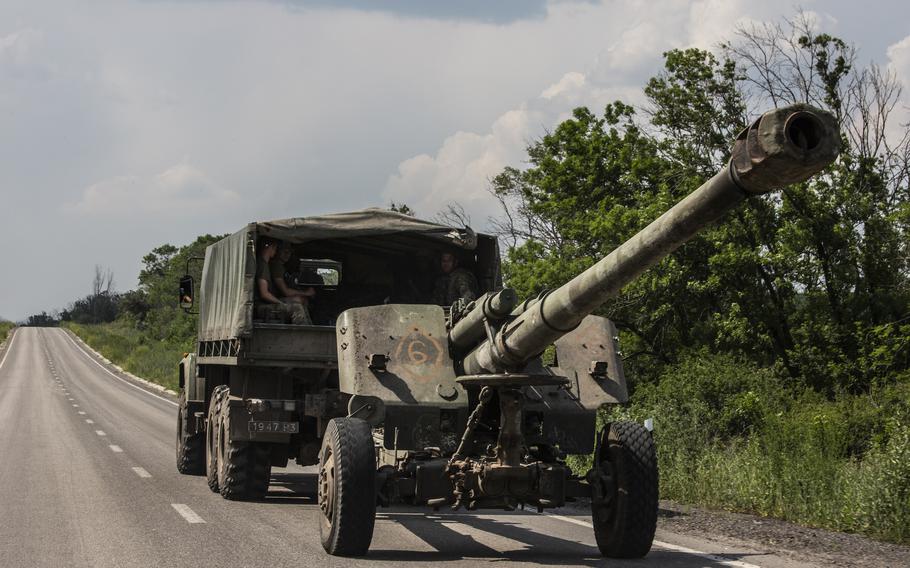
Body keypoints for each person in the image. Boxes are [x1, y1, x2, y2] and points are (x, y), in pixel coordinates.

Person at [256, 237, 312, 325]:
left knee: (300, 303)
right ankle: (304, 336)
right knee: (296, 308)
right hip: (261, 306)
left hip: (266, 304)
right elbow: (264, 294)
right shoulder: (262, 265)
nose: (275, 250)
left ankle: (309, 329)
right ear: (268, 247)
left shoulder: (265, 264)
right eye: (274, 247)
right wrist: (281, 303)